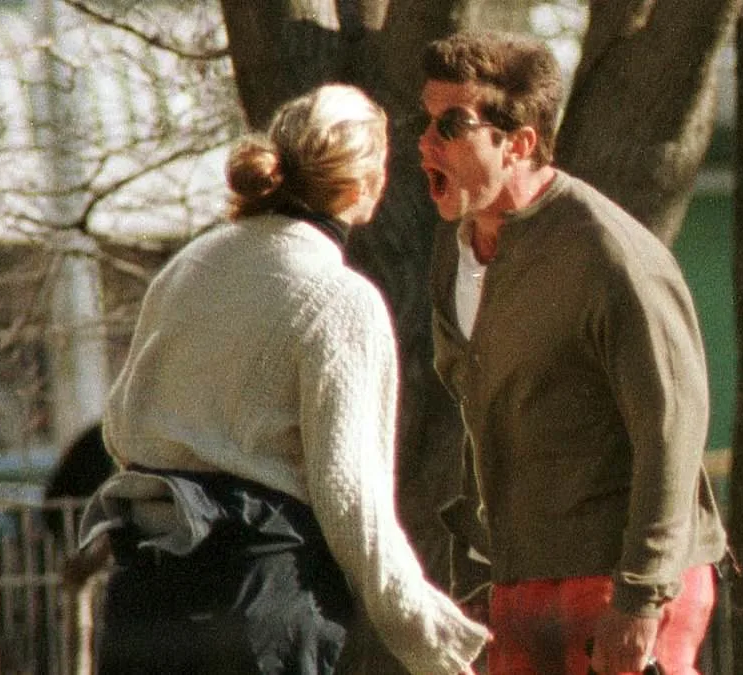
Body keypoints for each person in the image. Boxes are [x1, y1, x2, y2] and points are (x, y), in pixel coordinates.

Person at [78, 83, 489, 674]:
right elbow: (352, 500)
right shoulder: (341, 299)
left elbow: (121, 427)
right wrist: (433, 639)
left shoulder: (189, 265)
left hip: (144, 597)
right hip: (258, 605)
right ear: (363, 184)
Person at [418, 31, 729, 675]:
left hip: (623, 581)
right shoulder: (455, 252)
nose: (426, 143)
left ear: (519, 143)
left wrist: (641, 594)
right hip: (519, 579)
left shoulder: (610, 254)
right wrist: (476, 575)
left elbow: (672, 431)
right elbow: (485, 418)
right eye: (424, 122)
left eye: (451, 125)